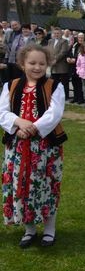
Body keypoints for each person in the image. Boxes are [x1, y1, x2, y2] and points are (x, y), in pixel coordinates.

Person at [0, 44, 67, 248]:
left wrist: (33, 128)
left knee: (47, 185)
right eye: (32, 63)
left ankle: (49, 229)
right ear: (22, 64)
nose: (37, 67)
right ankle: (29, 229)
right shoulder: (10, 85)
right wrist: (18, 123)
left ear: (48, 64)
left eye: (41, 63)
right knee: (22, 185)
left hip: (45, 146)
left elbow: (54, 113)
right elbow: (2, 111)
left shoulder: (55, 86)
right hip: (18, 146)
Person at [48, 27, 71, 100]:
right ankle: (55, 95)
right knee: (54, 81)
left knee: (64, 82)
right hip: (53, 65)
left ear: (61, 33)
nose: (56, 35)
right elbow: (48, 51)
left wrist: (55, 59)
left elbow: (63, 52)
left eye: (58, 33)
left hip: (61, 65)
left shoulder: (64, 41)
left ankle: (65, 96)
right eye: (55, 33)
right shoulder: (50, 41)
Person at [67, 32, 85, 104]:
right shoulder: (74, 45)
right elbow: (69, 52)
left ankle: (81, 98)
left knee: (80, 84)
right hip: (73, 67)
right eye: (79, 37)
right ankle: (75, 97)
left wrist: (75, 59)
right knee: (74, 83)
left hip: (81, 67)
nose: (80, 39)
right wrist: (68, 58)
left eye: (82, 38)